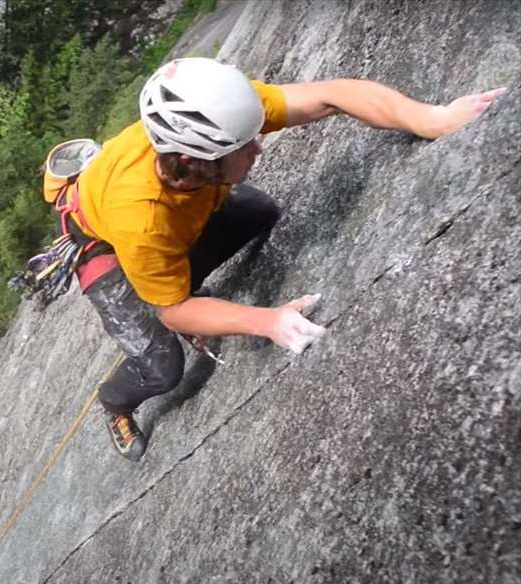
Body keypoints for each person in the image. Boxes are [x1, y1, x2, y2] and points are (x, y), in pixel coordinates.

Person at [67, 57, 505, 462]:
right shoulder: (142, 222)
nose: (258, 148)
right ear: (192, 162)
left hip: (169, 217)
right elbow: (174, 310)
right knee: (164, 365)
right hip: (104, 245)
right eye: (244, 147)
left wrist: (433, 119)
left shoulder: (210, 119)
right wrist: (267, 321)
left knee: (259, 209)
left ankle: (175, 275)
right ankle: (116, 402)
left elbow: (329, 97)